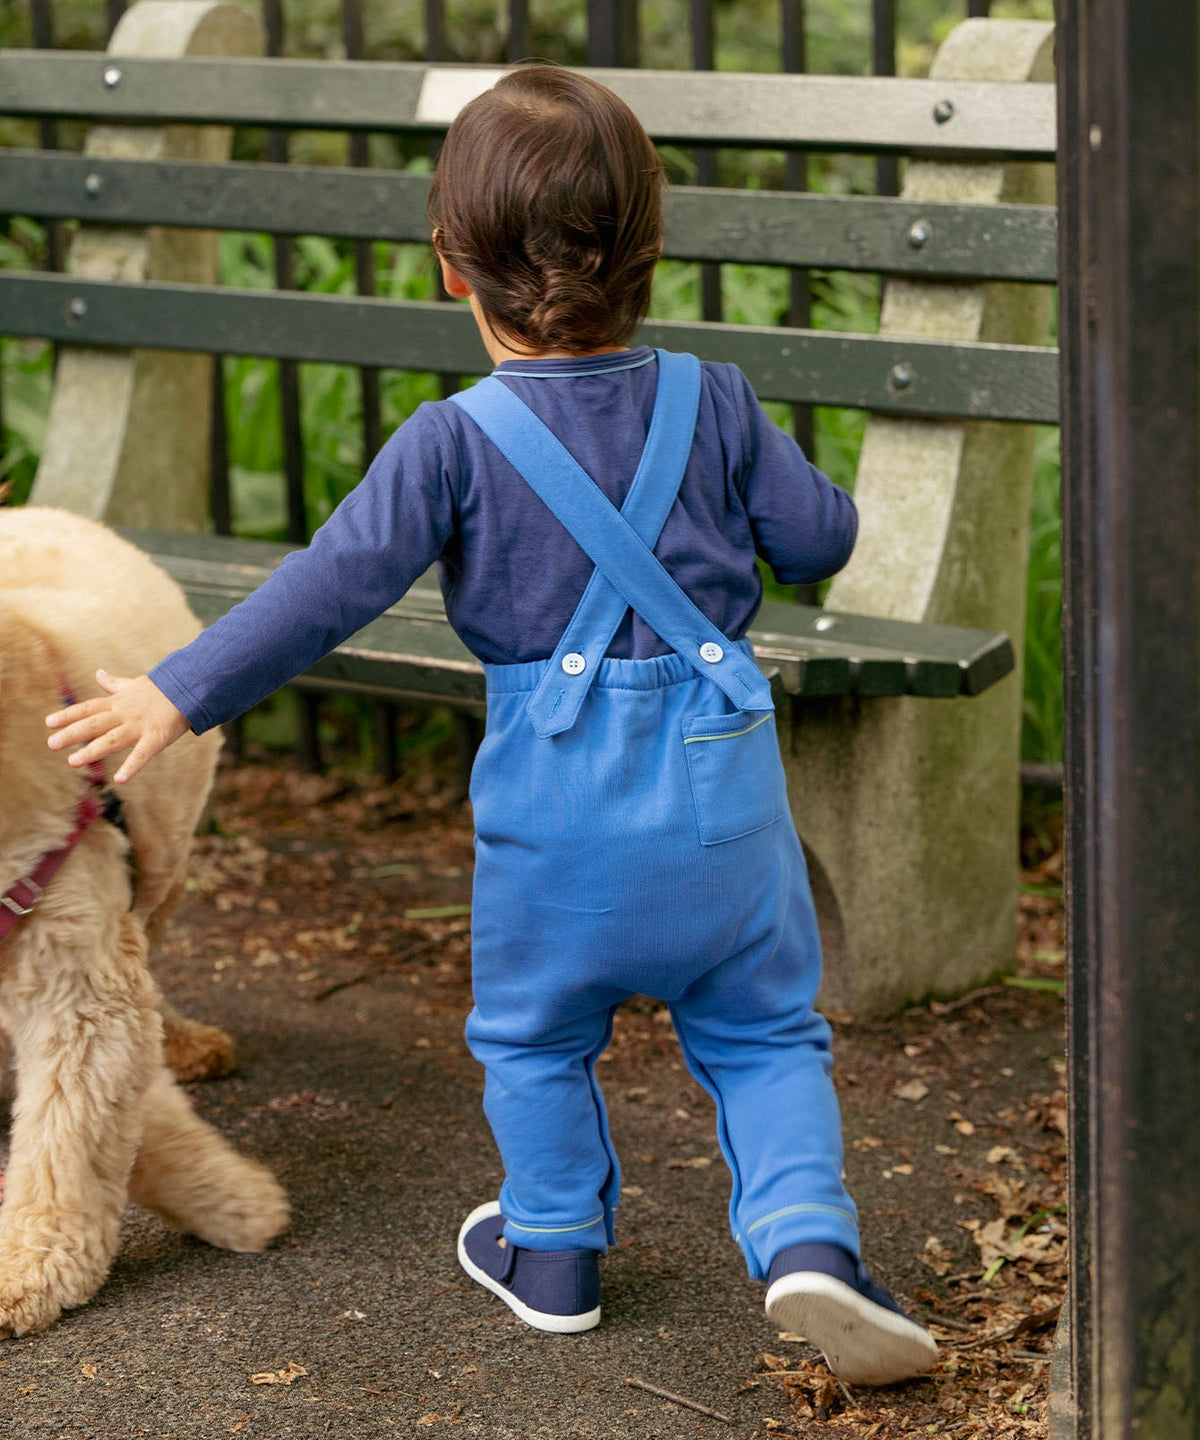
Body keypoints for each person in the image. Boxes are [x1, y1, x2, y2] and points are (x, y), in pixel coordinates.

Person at [45, 63, 938, 1386]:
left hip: (559, 806)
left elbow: (325, 592)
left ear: (451, 269)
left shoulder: (450, 443)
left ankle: (556, 1248)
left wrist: (173, 695)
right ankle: (808, 1239)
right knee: (760, 1031)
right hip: (721, 792)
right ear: (652, 248)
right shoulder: (719, 399)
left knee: (533, 1034)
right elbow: (822, 538)